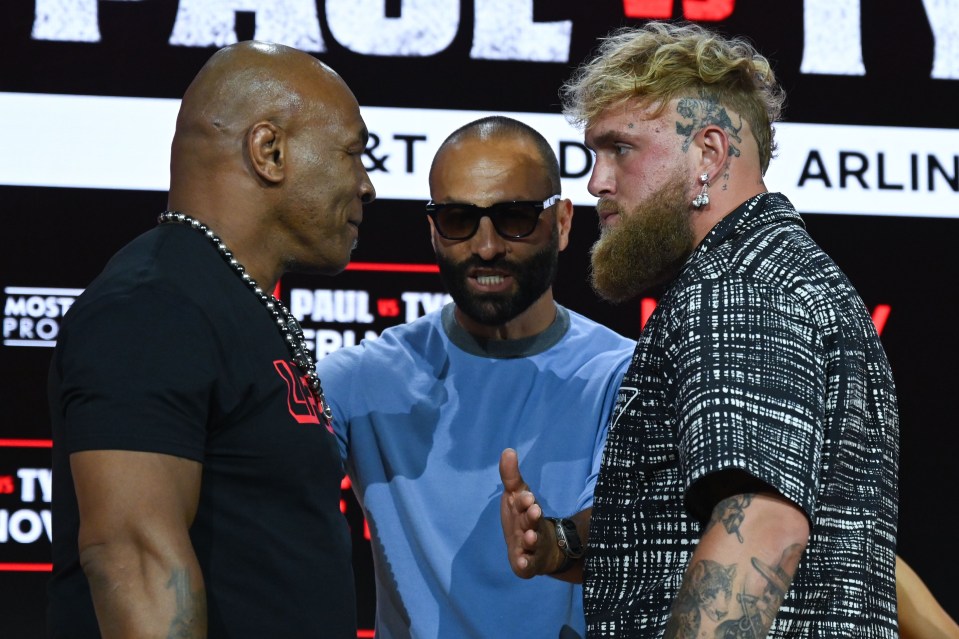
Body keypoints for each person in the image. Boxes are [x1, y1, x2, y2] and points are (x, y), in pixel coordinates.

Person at [500, 21, 899, 637]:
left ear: (708, 154)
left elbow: (761, 522)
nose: (596, 181)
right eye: (593, 155)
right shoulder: (774, 270)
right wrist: (560, 543)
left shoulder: (735, 285)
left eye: (621, 149)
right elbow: (690, 520)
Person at [47, 41, 375, 638]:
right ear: (269, 151)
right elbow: (134, 558)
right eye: (353, 153)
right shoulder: (152, 306)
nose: (367, 185)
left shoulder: (228, 300)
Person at [316, 115, 634, 638]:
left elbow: (638, 534)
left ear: (561, 224)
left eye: (514, 218)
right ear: (433, 231)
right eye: (460, 219)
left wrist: (552, 544)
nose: (486, 247)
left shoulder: (620, 376)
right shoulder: (360, 385)